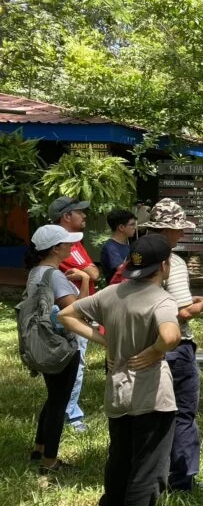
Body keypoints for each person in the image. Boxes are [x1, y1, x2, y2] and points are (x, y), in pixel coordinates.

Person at [58, 234, 181, 506]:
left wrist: (105, 340)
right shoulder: (162, 299)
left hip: (117, 390)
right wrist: (153, 351)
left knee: (120, 454)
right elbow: (170, 337)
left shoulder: (110, 294)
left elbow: (65, 314)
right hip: (151, 394)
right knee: (149, 464)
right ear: (164, 266)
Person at [140, 198, 203, 491]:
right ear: (168, 230)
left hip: (143, 344)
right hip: (176, 347)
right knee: (183, 413)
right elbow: (180, 312)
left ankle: (150, 478)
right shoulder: (172, 262)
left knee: (151, 415)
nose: (182, 234)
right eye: (179, 229)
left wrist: (192, 300)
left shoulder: (134, 258)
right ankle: (183, 478)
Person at [24, 225, 90, 474]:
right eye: (67, 243)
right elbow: (76, 311)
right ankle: (50, 462)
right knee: (59, 403)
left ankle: (39, 448)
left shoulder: (35, 272)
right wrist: (84, 279)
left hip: (42, 344)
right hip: (61, 347)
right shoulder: (55, 276)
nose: (71, 246)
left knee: (53, 397)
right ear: (55, 248)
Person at [49, 196, 99, 433]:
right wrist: (88, 274)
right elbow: (94, 272)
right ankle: (71, 414)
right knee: (74, 361)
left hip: (74, 306)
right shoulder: (64, 242)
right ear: (66, 216)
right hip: (71, 308)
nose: (85, 215)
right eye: (80, 212)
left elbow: (92, 271)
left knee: (72, 362)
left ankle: (63, 409)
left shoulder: (70, 241)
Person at [101, 209, 138, 283]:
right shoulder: (110, 248)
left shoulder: (126, 245)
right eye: (132, 224)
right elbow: (122, 269)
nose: (135, 227)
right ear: (121, 227)